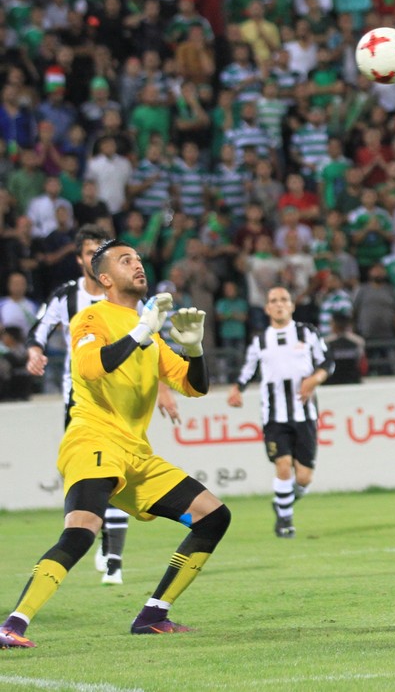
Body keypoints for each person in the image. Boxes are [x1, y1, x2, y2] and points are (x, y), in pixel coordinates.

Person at [0, 240, 226, 648]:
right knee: (82, 530)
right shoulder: (92, 317)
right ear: (104, 278)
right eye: (125, 260)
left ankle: (153, 615)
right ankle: (13, 625)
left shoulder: (149, 331)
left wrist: (194, 350)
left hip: (136, 454)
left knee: (213, 516)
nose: (137, 265)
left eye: (138, 259)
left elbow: (194, 386)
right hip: (93, 439)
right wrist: (141, 331)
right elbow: (90, 367)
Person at [23, 224, 180, 585]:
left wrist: (164, 387)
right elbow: (38, 331)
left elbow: (150, 347)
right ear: (81, 259)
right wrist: (34, 352)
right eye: (89, 251)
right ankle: (98, 541)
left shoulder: (131, 301)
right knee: (95, 479)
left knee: (117, 473)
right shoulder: (67, 297)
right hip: (82, 401)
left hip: (125, 400)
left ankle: (113, 556)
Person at [228, 287, 333, 539]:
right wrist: (237, 389)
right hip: (274, 416)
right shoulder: (260, 341)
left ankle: (282, 502)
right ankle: (285, 522)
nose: (279, 304)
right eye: (273, 301)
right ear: (267, 308)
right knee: (283, 465)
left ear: (292, 305)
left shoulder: (307, 333)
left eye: (284, 300)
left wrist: (314, 379)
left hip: (305, 414)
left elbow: (327, 362)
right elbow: (248, 370)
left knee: (304, 478)